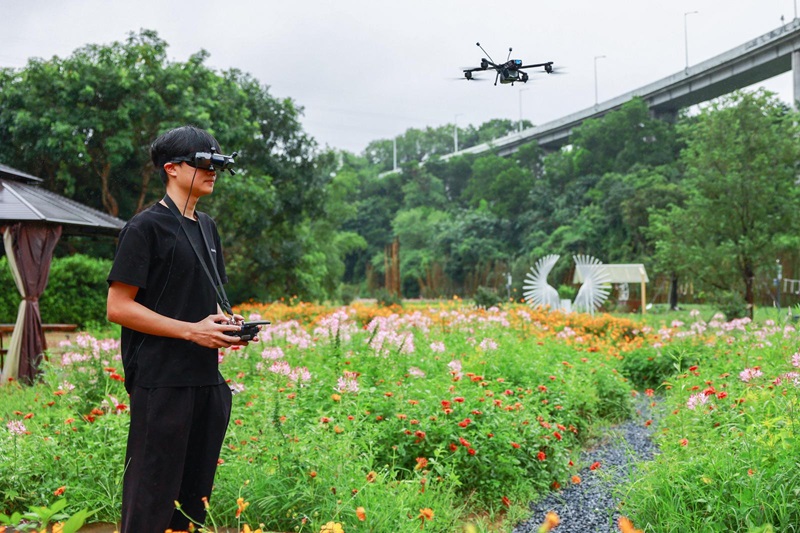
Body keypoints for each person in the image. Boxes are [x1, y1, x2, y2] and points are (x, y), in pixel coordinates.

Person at [107, 125, 247, 532]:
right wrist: (191, 331)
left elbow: (201, 304)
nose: (213, 171)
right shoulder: (144, 228)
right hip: (161, 381)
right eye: (204, 162)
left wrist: (226, 324)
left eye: (219, 163)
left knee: (192, 502)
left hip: (206, 380)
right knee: (150, 498)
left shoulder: (207, 228)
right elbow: (118, 307)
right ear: (171, 168)